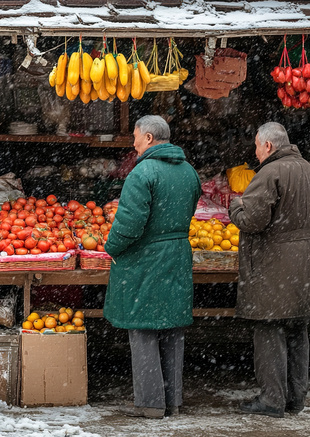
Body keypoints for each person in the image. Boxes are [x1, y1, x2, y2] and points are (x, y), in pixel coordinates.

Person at [104, 115, 201, 419]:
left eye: (135, 136)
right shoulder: (189, 172)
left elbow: (129, 225)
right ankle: (171, 401)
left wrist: (111, 247)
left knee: (143, 329)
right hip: (177, 256)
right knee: (172, 328)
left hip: (145, 260)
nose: (133, 142)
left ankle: (150, 404)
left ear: (147, 138)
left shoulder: (142, 173)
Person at [229, 122, 310, 419]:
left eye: (257, 146)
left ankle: (272, 399)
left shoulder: (271, 172)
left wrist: (235, 207)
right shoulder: (309, 170)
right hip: (308, 262)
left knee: (269, 329)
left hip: (277, 263)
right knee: (298, 329)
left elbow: (253, 220)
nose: (255, 152)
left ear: (268, 146)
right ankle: (296, 398)